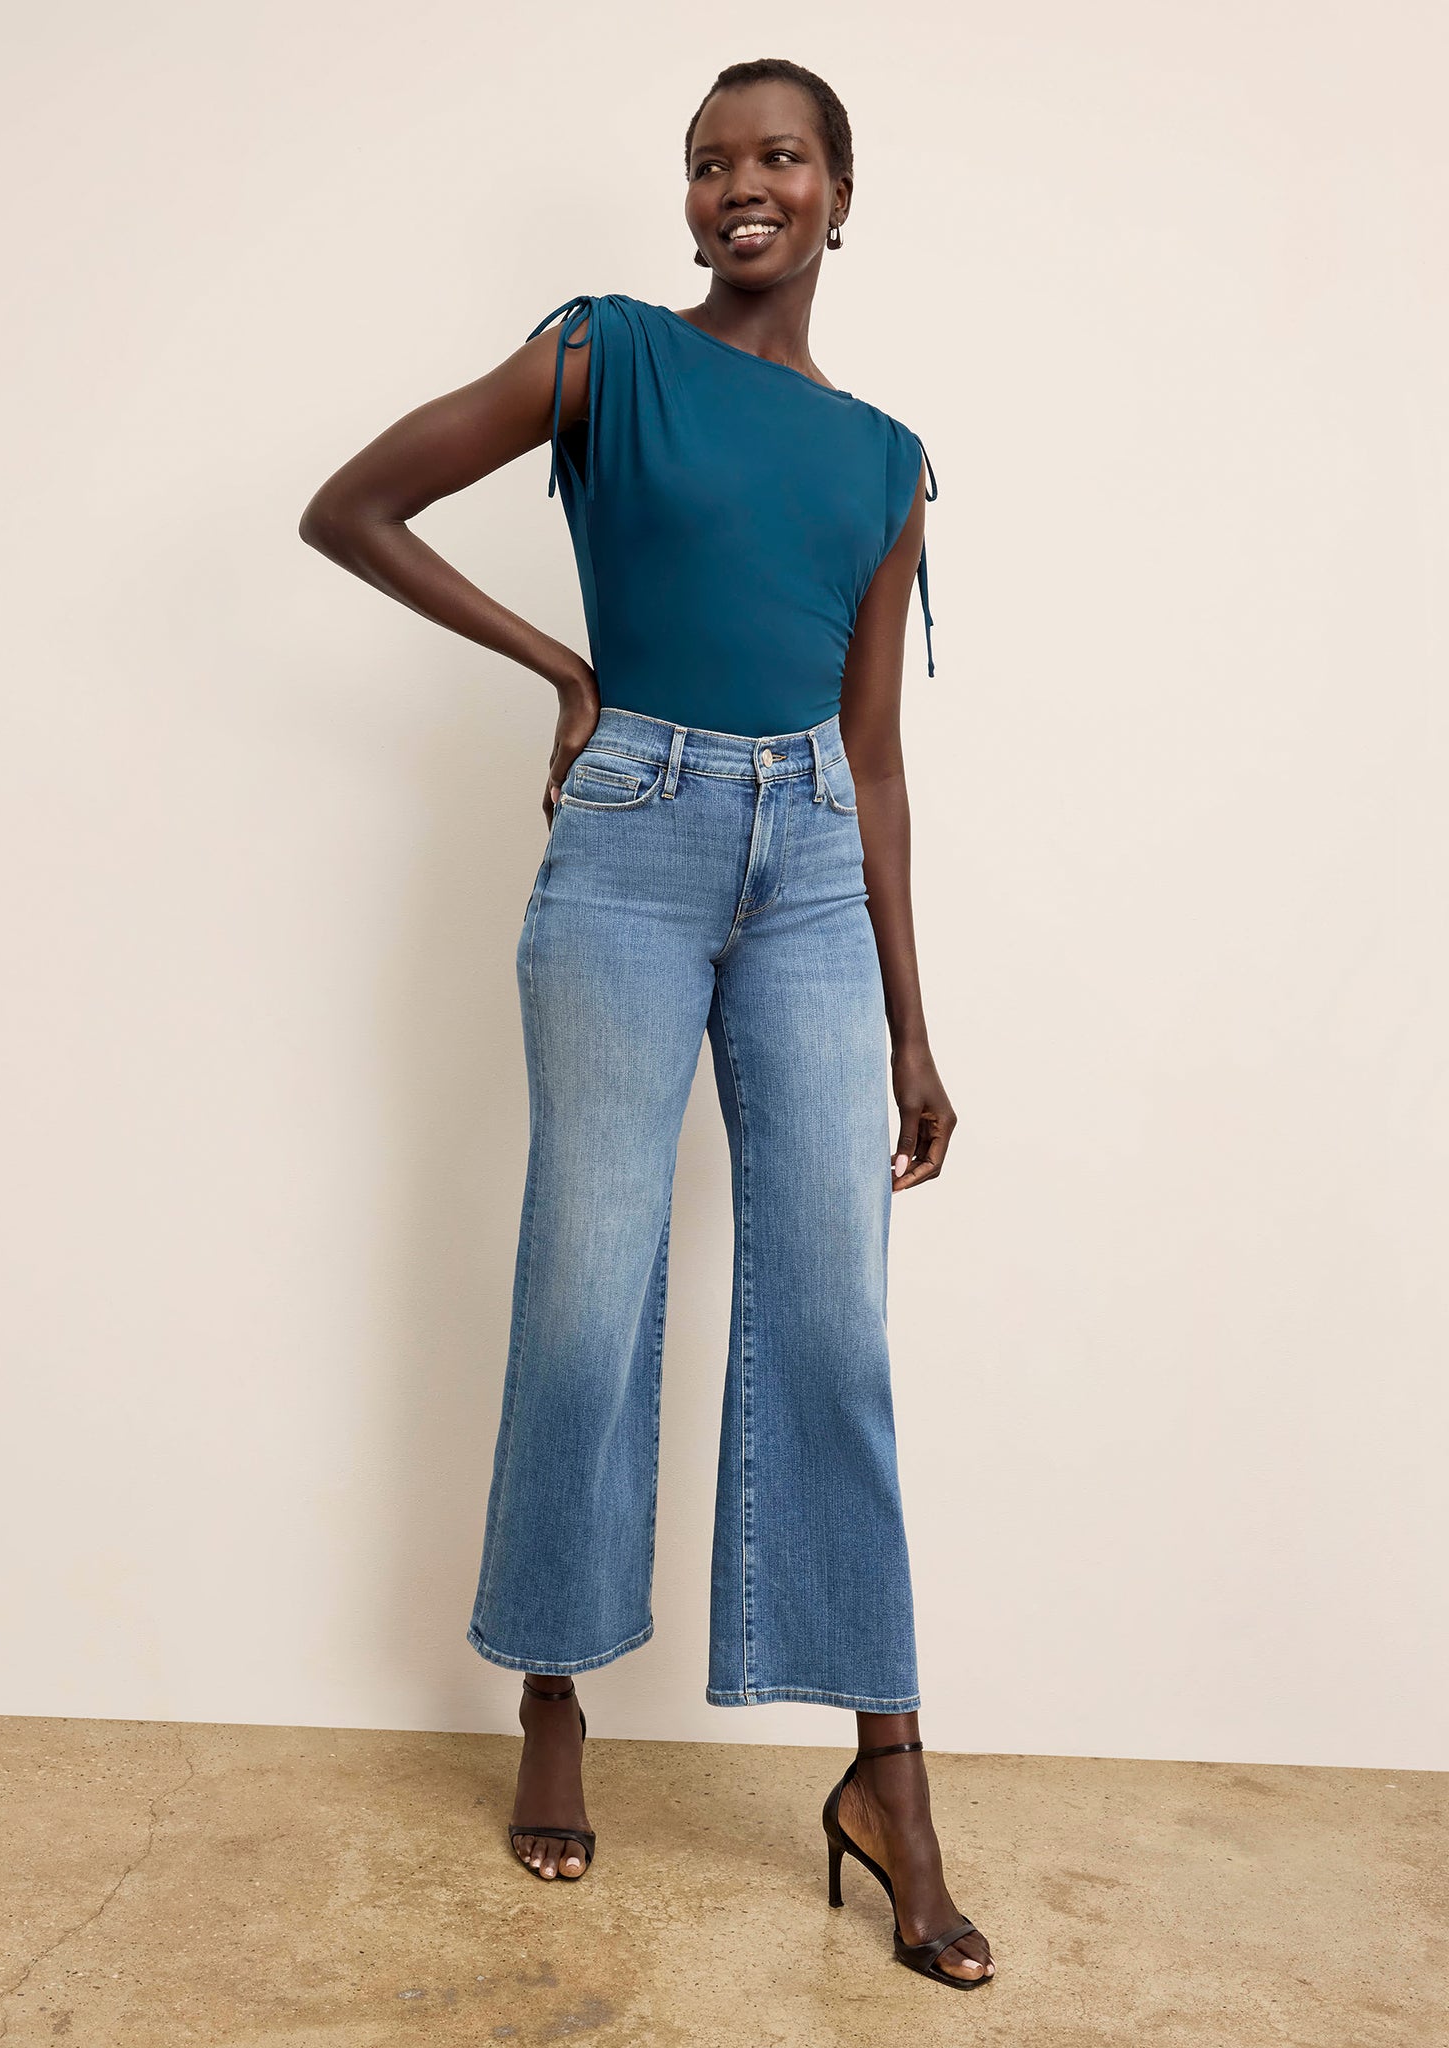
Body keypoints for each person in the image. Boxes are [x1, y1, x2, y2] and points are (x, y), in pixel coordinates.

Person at [298, 57, 993, 1989]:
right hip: (631, 841)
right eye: (708, 162)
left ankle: (890, 1778)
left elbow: (876, 761)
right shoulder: (608, 355)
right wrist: (560, 665)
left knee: (836, 1319)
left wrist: (914, 1028)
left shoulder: (886, 462)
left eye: (778, 157)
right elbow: (353, 507)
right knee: (590, 1281)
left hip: (816, 876)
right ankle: (551, 1692)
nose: (738, 185)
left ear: (841, 191)